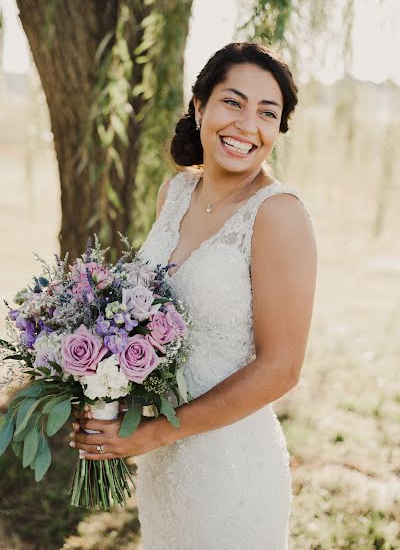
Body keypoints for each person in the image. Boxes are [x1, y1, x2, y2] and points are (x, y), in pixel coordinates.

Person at [71, 41, 317, 549]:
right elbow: (145, 315)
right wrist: (100, 391)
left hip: (231, 469)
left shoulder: (279, 215)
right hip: (165, 468)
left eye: (267, 113)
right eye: (233, 102)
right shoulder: (174, 193)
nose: (247, 125)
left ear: (278, 130)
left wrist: (159, 430)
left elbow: (281, 368)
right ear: (200, 106)